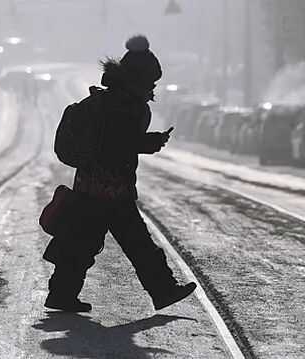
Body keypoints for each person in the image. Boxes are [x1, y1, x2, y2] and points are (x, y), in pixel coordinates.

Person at [43, 35, 197, 312]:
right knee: (138, 244)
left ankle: (61, 294)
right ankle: (162, 290)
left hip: (90, 186)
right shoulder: (125, 106)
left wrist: (144, 141)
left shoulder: (107, 100)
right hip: (111, 190)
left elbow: (112, 143)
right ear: (138, 79)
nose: (152, 87)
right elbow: (117, 145)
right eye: (151, 81)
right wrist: (149, 143)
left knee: (80, 245)